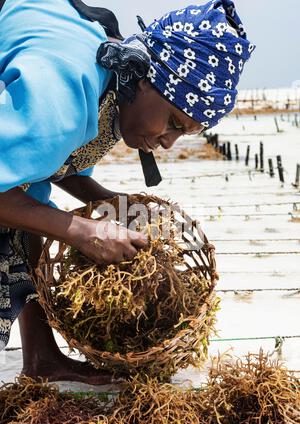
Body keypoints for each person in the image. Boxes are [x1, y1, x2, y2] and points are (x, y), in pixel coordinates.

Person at [0, 0, 255, 384]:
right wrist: (82, 231)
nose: (167, 143)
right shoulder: (65, 87)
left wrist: (103, 200)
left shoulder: (116, 81)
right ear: (145, 82)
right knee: (30, 213)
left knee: (32, 205)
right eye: (172, 122)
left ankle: (41, 358)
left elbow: (46, 159)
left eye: (182, 134)